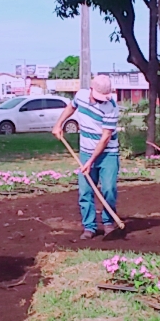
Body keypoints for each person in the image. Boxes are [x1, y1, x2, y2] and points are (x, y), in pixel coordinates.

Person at [52, 74, 119, 240]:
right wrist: (58, 124)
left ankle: (109, 222)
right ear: (91, 90)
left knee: (108, 189)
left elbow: (105, 138)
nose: (102, 100)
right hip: (86, 151)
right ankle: (89, 227)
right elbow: (71, 108)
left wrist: (90, 162)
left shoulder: (111, 107)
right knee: (85, 191)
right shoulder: (81, 96)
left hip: (108, 153)